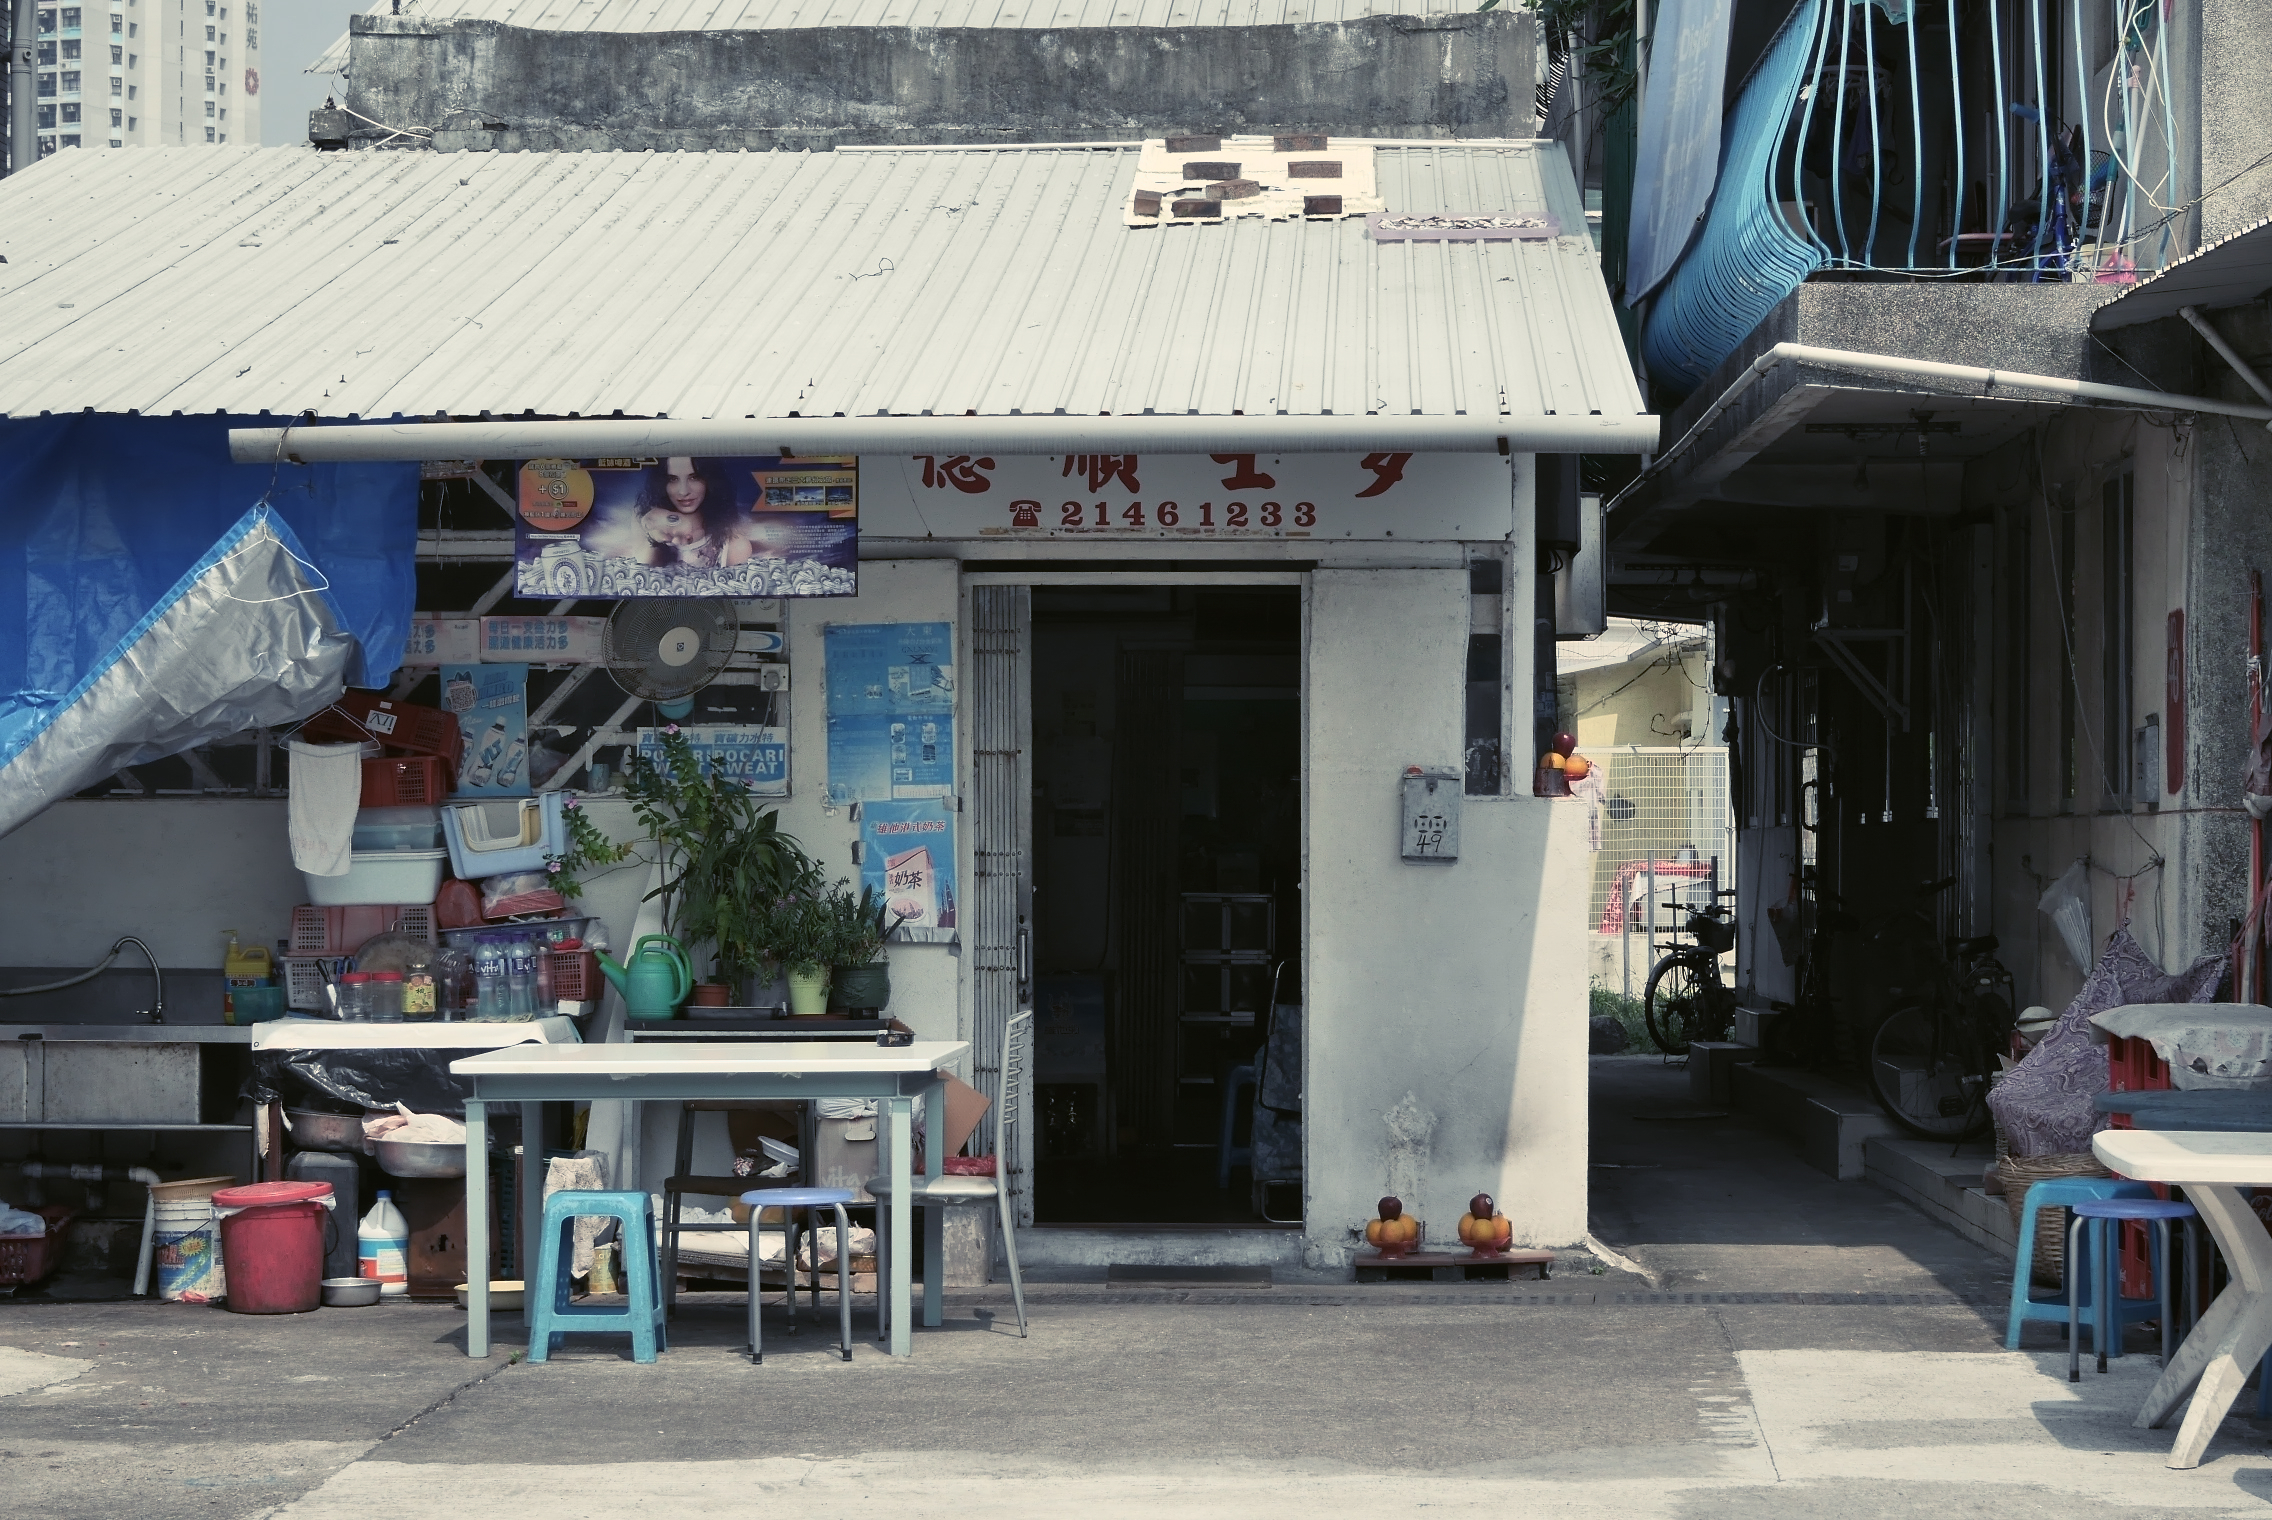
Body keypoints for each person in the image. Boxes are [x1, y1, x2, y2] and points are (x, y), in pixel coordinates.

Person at [583, 457, 755, 567]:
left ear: (710, 480)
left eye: (694, 477)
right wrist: (657, 536)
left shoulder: (733, 545)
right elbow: (645, 566)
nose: (683, 491)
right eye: (672, 479)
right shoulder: (646, 516)